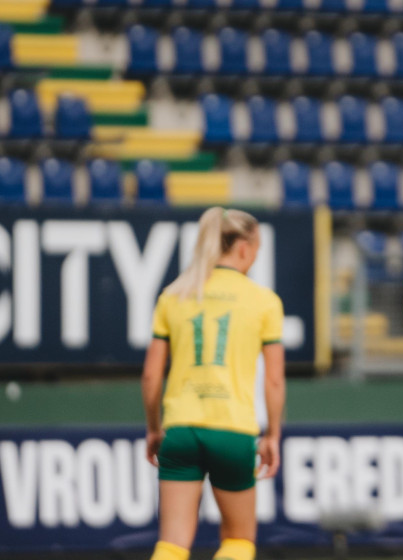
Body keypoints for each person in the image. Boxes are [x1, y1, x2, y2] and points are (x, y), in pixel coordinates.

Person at [142, 207, 286, 560]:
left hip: (180, 428)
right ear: (243, 248)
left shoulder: (173, 296)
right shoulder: (264, 301)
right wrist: (273, 435)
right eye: (257, 250)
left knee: (172, 544)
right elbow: (274, 379)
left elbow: (150, 376)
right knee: (238, 541)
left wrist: (154, 429)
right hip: (233, 430)